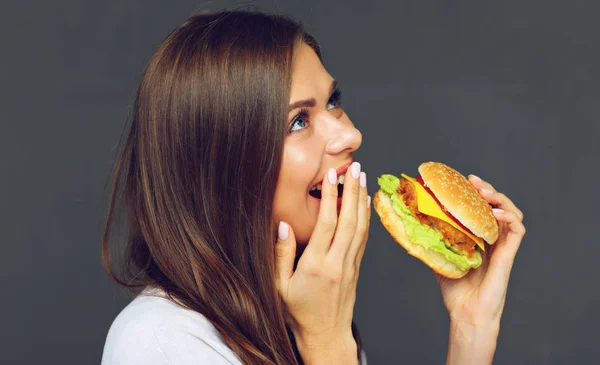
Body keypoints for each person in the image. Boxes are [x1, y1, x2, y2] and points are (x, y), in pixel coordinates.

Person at [100, 9, 526, 365]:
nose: (351, 135)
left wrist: (471, 328)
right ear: (221, 171)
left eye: (333, 102)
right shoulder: (159, 341)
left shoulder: (300, 315)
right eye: (298, 121)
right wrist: (328, 345)